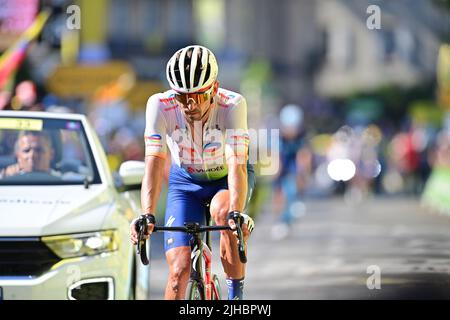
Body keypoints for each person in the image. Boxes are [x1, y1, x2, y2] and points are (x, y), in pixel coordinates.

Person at [130, 45, 255, 300]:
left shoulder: (233, 105)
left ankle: (235, 297)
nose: (189, 104)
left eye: (198, 95)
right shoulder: (159, 105)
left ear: (215, 88)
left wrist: (236, 212)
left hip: (225, 180)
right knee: (178, 271)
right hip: (184, 184)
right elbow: (153, 163)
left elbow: (236, 163)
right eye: (182, 96)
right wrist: (147, 214)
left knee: (223, 213)